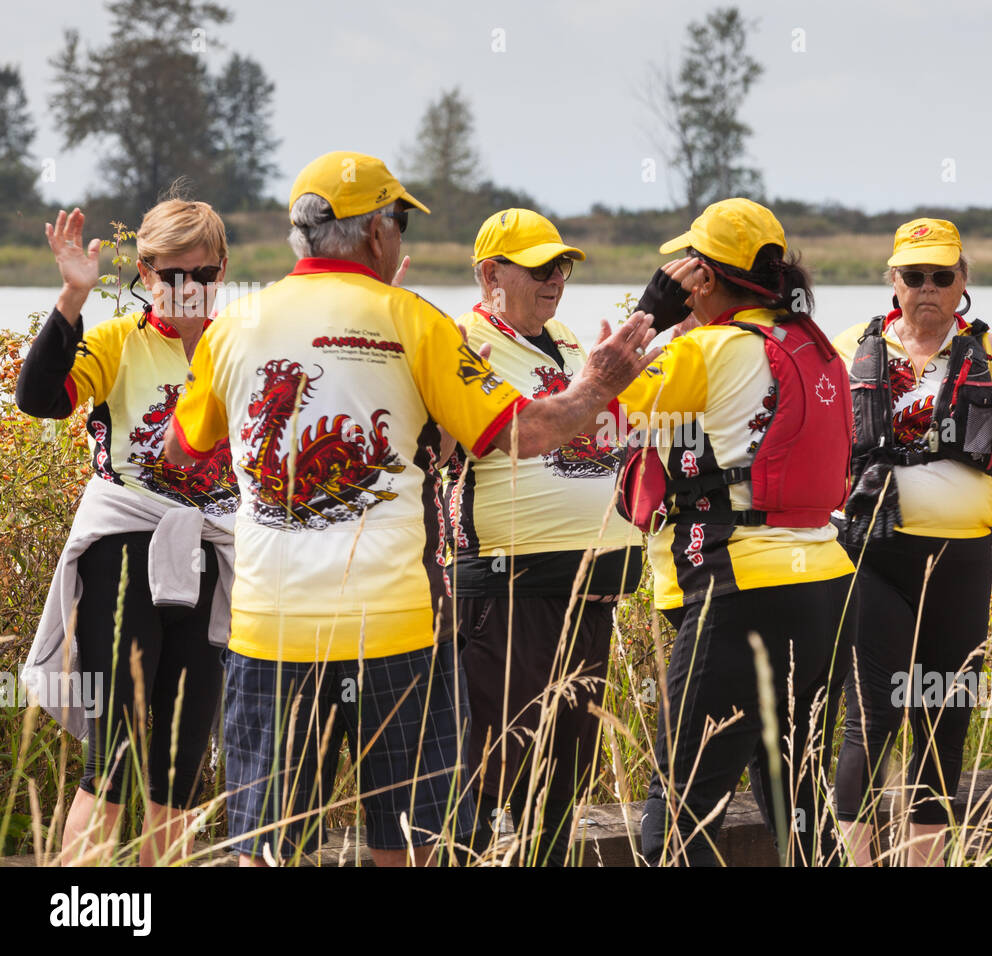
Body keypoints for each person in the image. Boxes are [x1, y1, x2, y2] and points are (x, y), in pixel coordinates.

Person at [163, 151, 656, 867]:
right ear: (375, 236)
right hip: (394, 632)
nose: (403, 239)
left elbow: (182, 451)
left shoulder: (235, 323)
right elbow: (527, 432)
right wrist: (597, 386)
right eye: (399, 221)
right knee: (414, 845)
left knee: (267, 851)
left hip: (269, 630)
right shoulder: (414, 320)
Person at [617, 197, 854, 866]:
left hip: (741, 593)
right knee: (797, 803)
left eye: (685, 269)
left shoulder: (706, 349)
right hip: (825, 588)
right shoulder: (813, 345)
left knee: (679, 818)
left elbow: (593, 402)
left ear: (703, 278)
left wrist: (650, 315)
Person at [17, 200, 239, 865]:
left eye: (200, 273)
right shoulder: (117, 341)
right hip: (125, 548)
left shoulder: (240, 349)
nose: (186, 289)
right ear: (145, 272)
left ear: (222, 270)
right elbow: (38, 400)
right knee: (112, 759)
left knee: (179, 767)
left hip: (209, 549)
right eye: (169, 276)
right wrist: (72, 296)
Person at [831, 218, 992, 866]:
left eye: (942, 275)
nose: (927, 289)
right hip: (871, 556)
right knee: (871, 721)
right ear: (891, 280)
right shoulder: (853, 347)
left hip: (960, 561)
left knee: (943, 719)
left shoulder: (990, 353)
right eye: (914, 275)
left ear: (964, 281)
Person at [445, 208, 642, 865]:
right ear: (490, 274)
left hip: (585, 590)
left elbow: (599, 428)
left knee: (563, 779)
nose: (556, 278)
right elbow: (473, 442)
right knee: (485, 772)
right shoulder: (463, 342)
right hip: (506, 591)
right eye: (539, 267)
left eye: (562, 266)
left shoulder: (565, 339)